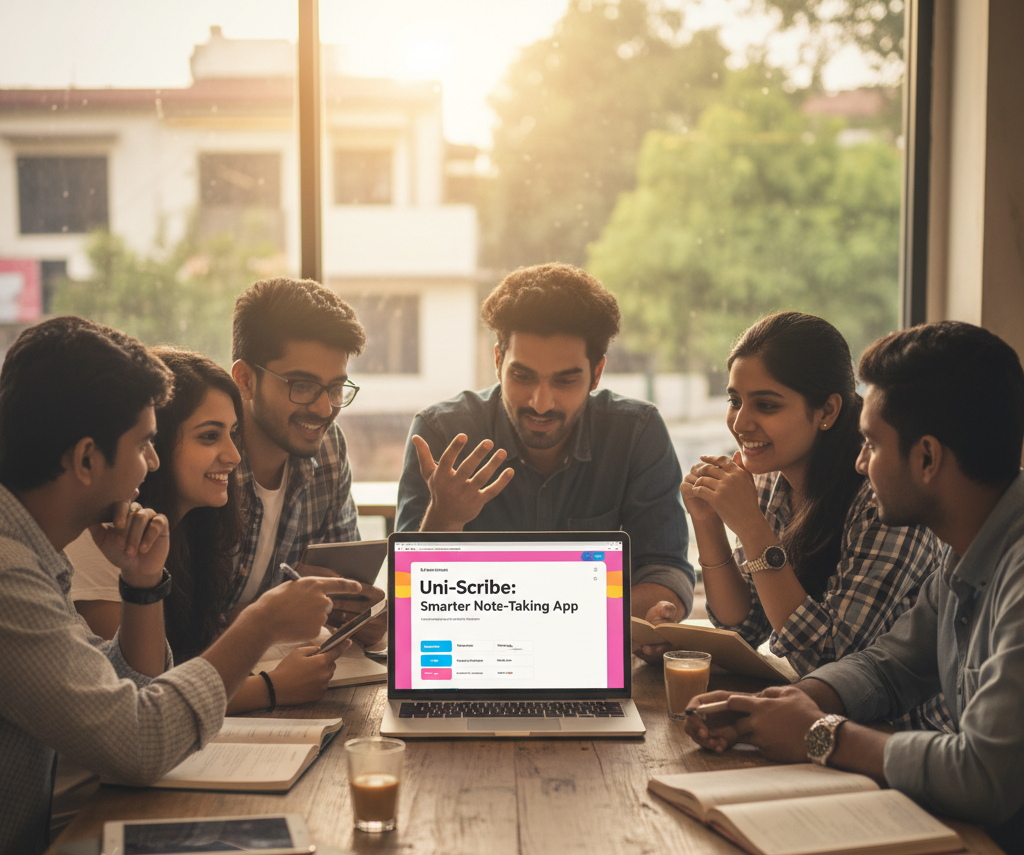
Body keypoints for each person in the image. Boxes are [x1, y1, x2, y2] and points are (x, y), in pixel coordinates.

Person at [0, 317, 347, 855]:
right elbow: (138, 743)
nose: (152, 464)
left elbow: (130, 690)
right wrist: (261, 623)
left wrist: (141, 584)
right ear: (87, 460)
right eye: (142, 446)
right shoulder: (10, 577)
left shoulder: (36, 555)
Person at [685, 321, 1024, 855]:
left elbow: (983, 777)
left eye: (870, 444)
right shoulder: (967, 550)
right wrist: (789, 704)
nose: (861, 462)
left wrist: (821, 735)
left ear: (928, 458)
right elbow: (890, 666)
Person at [679, 312, 945, 727]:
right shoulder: (769, 479)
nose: (740, 421)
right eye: (735, 400)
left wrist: (751, 526)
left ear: (827, 410)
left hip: (899, 741)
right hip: (818, 724)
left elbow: (834, 664)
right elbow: (743, 625)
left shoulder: (885, 498)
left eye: (765, 405)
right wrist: (708, 522)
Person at [395, 262, 694, 625]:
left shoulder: (636, 433)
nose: (541, 403)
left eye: (565, 381)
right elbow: (409, 604)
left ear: (596, 373)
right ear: (497, 361)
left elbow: (664, 573)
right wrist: (444, 520)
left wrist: (509, 606)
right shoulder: (441, 433)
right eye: (522, 376)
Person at [66, 348, 347, 713]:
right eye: (209, 436)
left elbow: (183, 661)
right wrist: (269, 688)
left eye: (233, 434)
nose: (233, 455)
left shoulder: (193, 528)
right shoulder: (104, 533)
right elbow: (139, 697)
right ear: (154, 443)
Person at [227, 277, 385, 646]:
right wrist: (272, 611)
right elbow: (175, 632)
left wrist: (361, 616)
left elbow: (344, 598)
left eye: (334, 388)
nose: (324, 407)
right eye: (301, 385)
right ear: (245, 380)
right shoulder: (205, 456)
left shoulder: (328, 448)